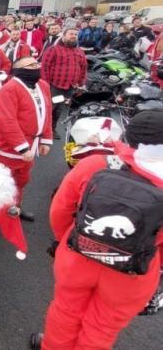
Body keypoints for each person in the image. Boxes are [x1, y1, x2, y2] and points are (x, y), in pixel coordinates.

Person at [36, 110, 163, 350]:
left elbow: (60, 210)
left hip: (79, 256)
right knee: (102, 328)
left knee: (65, 312)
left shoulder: (95, 164)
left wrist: (65, 240)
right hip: (132, 271)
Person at [0, 56, 53, 222]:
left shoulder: (43, 86)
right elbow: (7, 121)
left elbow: (46, 114)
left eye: (37, 64)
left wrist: (46, 139)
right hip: (11, 148)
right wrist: (23, 147)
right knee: (3, 183)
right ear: (20, 69)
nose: (36, 67)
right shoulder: (8, 89)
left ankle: (15, 208)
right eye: (31, 65)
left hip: (32, 144)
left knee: (22, 180)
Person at [40, 28, 87, 139]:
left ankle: (52, 129)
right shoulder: (54, 49)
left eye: (75, 34)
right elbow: (44, 66)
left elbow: (84, 69)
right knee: (48, 109)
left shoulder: (79, 52)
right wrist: (45, 84)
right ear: (64, 36)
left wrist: (82, 84)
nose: (73, 36)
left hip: (70, 87)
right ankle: (41, 130)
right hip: (54, 86)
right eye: (71, 34)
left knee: (59, 110)